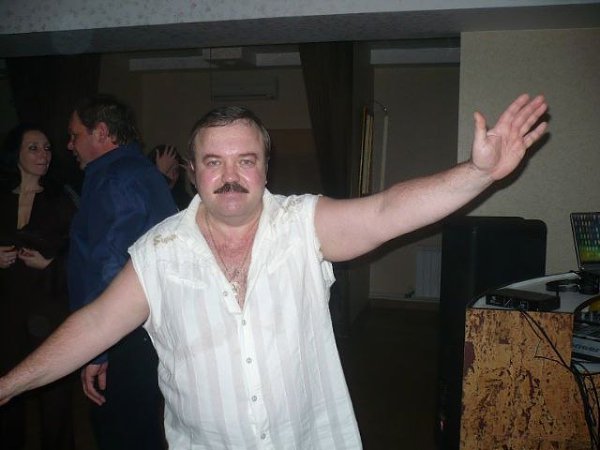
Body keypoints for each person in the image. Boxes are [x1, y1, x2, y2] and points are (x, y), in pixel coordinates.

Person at [0, 94, 548, 449]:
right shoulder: (159, 251)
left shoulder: (302, 225)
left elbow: (386, 211)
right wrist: (7, 385)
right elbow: (96, 323)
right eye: (214, 162)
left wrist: (478, 174)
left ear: (266, 167)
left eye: (246, 160)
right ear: (193, 172)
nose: (230, 176)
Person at [65, 94, 177, 450]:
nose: (70, 145)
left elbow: (111, 266)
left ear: (100, 132)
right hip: (141, 328)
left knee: (121, 430)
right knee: (138, 427)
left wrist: (97, 348)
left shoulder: (116, 178)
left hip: (124, 334)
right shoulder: (138, 172)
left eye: (75, 135)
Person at [0, 124, 77, 449]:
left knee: (54, 399)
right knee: (8, 393)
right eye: (33, 148)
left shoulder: (62, 199)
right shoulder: (2, 198)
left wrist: (50, 265)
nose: (43, 154)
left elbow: (82, 254)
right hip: (8, 311)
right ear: (15, 153)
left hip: (49, 307)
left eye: (46, 148)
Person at [148, 144, 193, 210]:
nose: (172, 175)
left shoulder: (181, 196)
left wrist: (196, 182)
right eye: (168, 169)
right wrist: (160, 177)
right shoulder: (142, 194)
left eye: (175, 170)